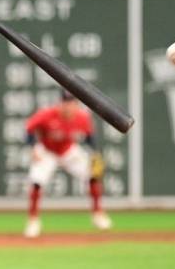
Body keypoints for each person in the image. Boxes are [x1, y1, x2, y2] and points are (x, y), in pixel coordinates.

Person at [23, 90, 112, 238]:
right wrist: (33, 149)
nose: (68, 106)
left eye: (71, 103)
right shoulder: (47, 114)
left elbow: (90, 137)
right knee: (36, 181)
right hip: (47, 150)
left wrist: (95, 153)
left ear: (76, 105)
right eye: (65, 103)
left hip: (68, 150)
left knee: (93, 174)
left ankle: (98, 214)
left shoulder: (82, 117)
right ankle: (33, 221)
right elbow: (29, 129)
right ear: (60, 103)